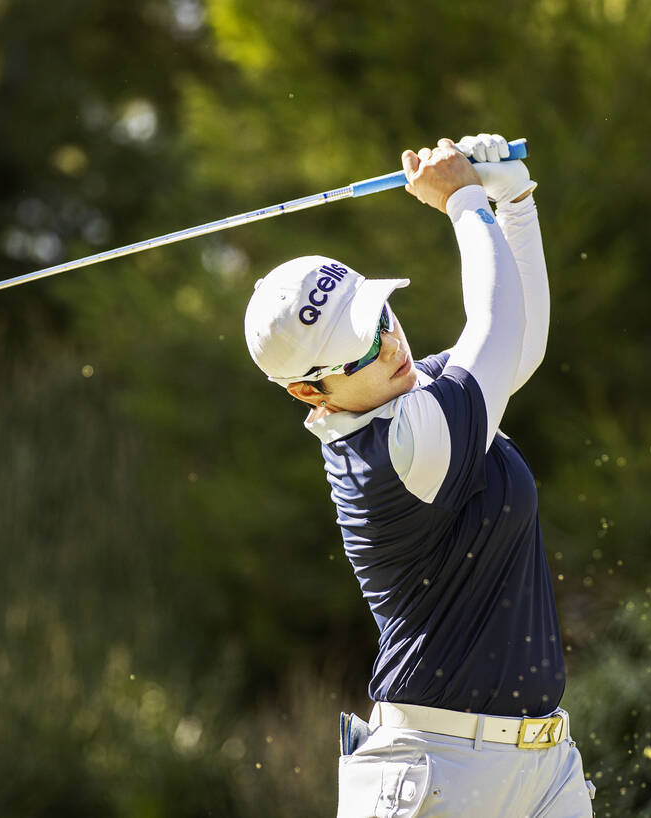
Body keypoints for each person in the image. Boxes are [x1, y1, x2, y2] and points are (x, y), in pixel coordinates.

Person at [244, 134, 595, 817]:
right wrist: (463, 199)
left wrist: (513, 201)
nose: (391, 343)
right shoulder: (397, 454)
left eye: (381, 316)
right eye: (362, 347)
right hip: (439, 778)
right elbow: (493, 330)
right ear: (309, 393)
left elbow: (517, 347)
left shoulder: (407, 396)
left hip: (543, 763)